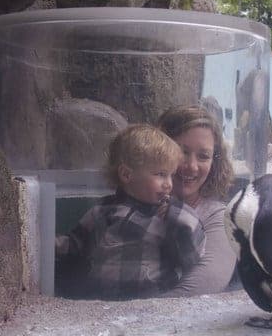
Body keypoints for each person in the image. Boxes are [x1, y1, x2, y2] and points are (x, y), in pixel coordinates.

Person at [55, 124, 207, 300]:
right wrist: (49, 246)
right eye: (160, 174)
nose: (169, 184)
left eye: (170, 175)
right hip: (101, 299)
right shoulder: (102, 211)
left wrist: (176, 214)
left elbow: (194, 252)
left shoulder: (166, 215)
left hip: (152, 298)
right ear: (126, 175)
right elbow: (76, 245)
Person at [157, 105, 237, 296]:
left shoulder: (218, 218)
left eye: (203, 156)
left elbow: (204, 286)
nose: (191, 166)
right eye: (181, 152)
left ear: (214, 162)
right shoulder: (129, 203)